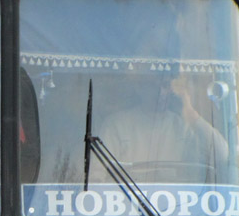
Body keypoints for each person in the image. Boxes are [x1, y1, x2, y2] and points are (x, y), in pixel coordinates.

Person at [95, 70, 229, 183]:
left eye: (165, 86)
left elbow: (221, 154)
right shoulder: (116, 125)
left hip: (174, 210)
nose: (161, 93)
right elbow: (95, 176)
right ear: (139, 88)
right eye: (153, 86)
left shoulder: (182, 127)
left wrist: (192, 115)